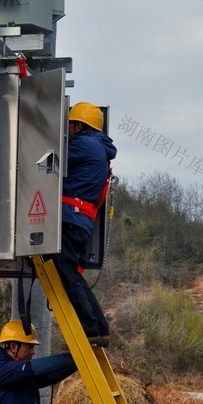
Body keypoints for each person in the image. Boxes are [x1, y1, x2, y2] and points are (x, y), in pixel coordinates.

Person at [54, 101, 117, 347]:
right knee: (75, 275)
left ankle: (90, 329)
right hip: (80, 221)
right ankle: (100, 328)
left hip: (69, 218)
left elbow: (52, 162)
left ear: (78, 125)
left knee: (67, 276)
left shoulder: (83, 144)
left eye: (68, 126)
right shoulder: (99, 149)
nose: (67, 131)